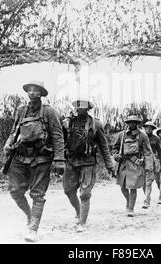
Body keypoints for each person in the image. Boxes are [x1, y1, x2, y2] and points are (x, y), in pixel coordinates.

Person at [3, 81, 65, 242]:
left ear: (41, 93)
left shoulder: (49, 112)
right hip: (20, 155)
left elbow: (58, 136)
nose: (32, 92)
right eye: (29, 90)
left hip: (41, 157)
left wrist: (59, 159)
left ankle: (33, 228)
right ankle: (31, 216)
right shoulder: (21, 110)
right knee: (15, 191)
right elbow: (14, 130)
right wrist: (8, 144)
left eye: (36, 90)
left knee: (37, 194)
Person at [62, 99, 115, 232]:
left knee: (85, 193)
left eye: (83, 108)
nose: (79, 110)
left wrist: (110, 165)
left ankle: (82, 223)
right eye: (78, 108)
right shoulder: (69, 122)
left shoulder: (95, 124)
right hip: (71, 160)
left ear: (88, 110)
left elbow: (104, 146)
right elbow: (59, 139)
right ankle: (78, 210)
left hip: (88, 162)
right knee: (68, 190)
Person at [113, 114, 152, 217]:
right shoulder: (121, 135)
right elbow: (115, 147)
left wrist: (148, 166)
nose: (131, 124)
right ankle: (128, 201)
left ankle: (131, 208)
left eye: (134, 122)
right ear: (127, 123)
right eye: (130, 122)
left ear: (137, 123)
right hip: (123, 164)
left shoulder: (143, 135)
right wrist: (116, 155)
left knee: (133, 187)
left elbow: (148, 152)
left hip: (135, 164)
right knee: (123, 187)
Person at [142, 121, 161, 209]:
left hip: (152, 161)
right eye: (147, 127)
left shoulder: (156, 139)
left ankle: (147, 201)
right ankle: (147, 196)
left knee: (149, 182)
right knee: (143, 183)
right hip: (142, 161)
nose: (148, 129)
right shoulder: (141, 137)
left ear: (153, 129)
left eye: (150, 128)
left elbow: (160, 152)